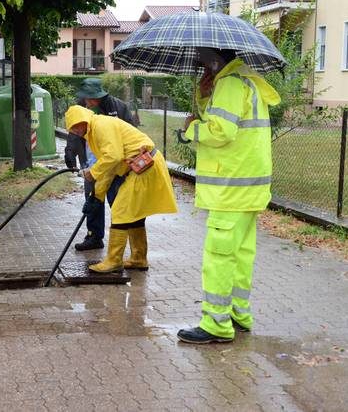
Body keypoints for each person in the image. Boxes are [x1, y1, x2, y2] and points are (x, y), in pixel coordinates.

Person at [177, 47, 281, 344]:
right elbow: (226, 116)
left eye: (202, 59)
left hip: (230, 187)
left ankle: (216, 323)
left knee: (219, 256)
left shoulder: (232, 83)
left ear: (214, 59)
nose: (199, 64)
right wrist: (204, 94)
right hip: (248, 188)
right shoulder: (244, 81)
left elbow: (221, 130)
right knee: (241, 254)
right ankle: (238, 313)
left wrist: (191, 129)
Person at [64, 105, 177, 272]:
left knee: (120, 211)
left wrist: (92, 172)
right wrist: (96, 196)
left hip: (144, 165)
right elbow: (110, 167)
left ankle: (114, 261)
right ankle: (138, 258)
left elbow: (113, 157)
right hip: (142, 166)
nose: (76, 130)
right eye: (72, 128)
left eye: (77, 125)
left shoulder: (100, 125)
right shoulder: (93, 133)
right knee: (133, 214)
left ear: (85, 120)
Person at [64, 78, 136, 251]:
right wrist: (70, 152)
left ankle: (121, 242)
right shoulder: (81, 107)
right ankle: (94, 236)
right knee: (93, 200)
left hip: (115, 165)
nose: (88, 102)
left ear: (100, 95)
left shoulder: (118, 107)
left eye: (91, 98)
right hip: (91, 163)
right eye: (86, 98)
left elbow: (131, 132)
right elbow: (75, 132)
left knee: (117, 203)